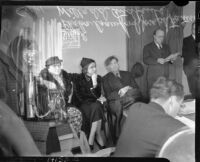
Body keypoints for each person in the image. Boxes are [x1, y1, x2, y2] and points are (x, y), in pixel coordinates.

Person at [113, 77, 187, 157]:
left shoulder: (135, 108)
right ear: (172, 100)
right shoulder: (176, 129)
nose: (179, 108)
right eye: (179, 104)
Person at [0, 6, 37, 115]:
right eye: (26, 30)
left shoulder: (17, 61)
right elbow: (5, 120)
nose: (31, 38)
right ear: (6, 25)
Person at [102, 56, 142, 144]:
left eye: (115, 62)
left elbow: (136, 88)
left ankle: (125, 135)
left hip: (129, 98)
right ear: (108, 67)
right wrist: (121, 92)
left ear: (118, 63)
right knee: (120, 103)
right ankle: (119, 136)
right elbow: (108, 95)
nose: (114, 65)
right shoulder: (105, 78)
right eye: (111, 64)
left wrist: (127, 88)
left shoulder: (127, 74)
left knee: (133, 97)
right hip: (115, 101)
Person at [38, 56, 82, 134]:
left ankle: (74, 136)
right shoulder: (45, 76)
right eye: (54, 66)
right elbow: (37, 81)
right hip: (51, 106)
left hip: (64, 104)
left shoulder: (63, 74)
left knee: (77, 113)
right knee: (74, 114)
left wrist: (87, 74)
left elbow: (75, 76)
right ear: (48, 68)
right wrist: (44, 82)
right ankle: (72, 136)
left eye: (59, 65)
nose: (58, 68)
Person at [72, 57, 106, 151]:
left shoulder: (98, 78)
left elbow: (97, 95)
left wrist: (94, 83)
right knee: (97, 106)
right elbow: (79, 96)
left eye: (95, 67)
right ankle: (98, 136)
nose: (94, 69)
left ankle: (91, 137)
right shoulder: (78, 79)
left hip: (94, 104)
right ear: (85, 69)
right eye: (92, 67)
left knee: (96, 106)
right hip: (83, 104)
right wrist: (93, 98)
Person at [143, 28, 179, 93]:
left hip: (165, 77)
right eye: (159, 36)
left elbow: (168, 59)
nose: (161, 38)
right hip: (153, 77)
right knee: (153, 96)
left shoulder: (166, 47)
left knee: (164, 96)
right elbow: (145, 60)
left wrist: (172, 60)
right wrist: (157, 60)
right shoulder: (147, 47)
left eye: (162, 36)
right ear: (154, 36)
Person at [182, 22, 199, 98]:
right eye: (193, 28)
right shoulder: (185, 40)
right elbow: (183, 54)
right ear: (191, 29)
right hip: (190, 68)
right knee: (193, 88)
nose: (195, 29)